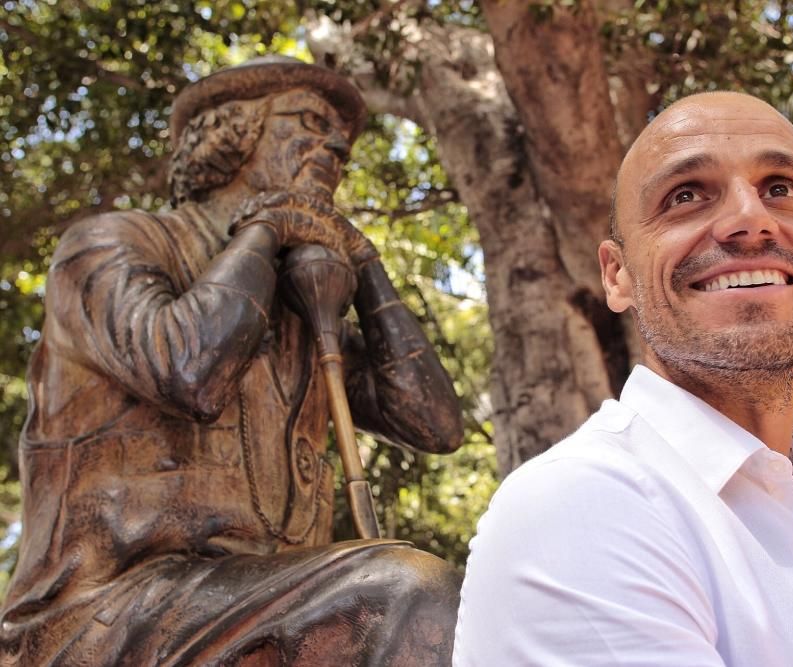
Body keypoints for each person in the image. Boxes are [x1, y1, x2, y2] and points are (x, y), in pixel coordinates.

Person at [453, 92, 793, 666]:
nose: (750, 220)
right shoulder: (575, 507)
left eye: (780, 189)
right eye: (685, 196)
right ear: (618, 277)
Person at [0, 57, 464, 666]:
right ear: (233, 133)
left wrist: (365, 261)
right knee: (409, 590)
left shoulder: (303, 313)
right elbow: (190, 372)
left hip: (259, 600)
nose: (333, 147)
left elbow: (434, 425)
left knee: (460, 604)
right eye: (308, 121)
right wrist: (269, 225)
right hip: (106, 610)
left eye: (342, 142)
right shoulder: (109, 245)